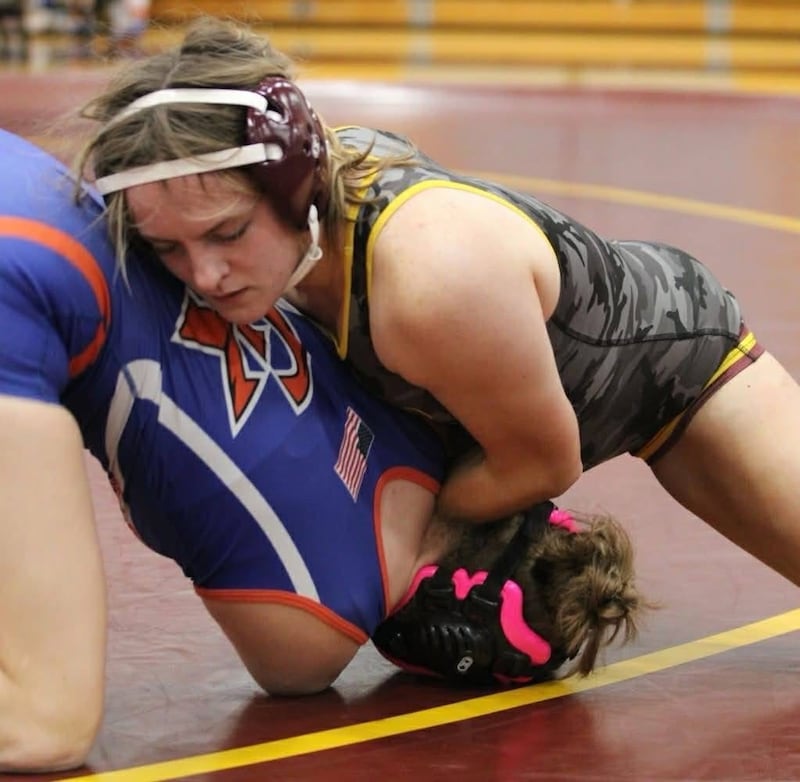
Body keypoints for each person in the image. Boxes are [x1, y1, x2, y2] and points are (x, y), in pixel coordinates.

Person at [75, 15, 800, 592]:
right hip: (516, 395)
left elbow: (544, 460)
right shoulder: (296, 211)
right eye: (167, 248)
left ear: (298, 186)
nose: (203, 274)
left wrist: (401, 553)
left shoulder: (431, 282)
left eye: (228, 233)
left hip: (682, 366)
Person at [0, 128, 644, 773]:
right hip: (24, 303)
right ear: (448, 642)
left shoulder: (410, 417)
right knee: (48, 729)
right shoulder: (312, 639)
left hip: (35, 185)